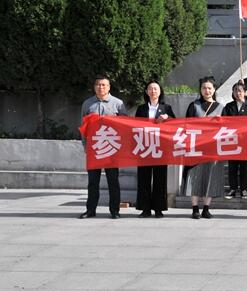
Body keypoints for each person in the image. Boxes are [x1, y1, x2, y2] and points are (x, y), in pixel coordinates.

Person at [80, 75, 127, 219]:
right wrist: (86, 145)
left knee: (113, 181)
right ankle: (90, 210)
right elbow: (83, 126)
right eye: (98, 85)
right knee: (93, 182)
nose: (101, 87)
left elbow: (125, 125)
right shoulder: (87, 104)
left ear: (109, 87)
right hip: (94, 149)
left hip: (111, 149)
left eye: (104, 85)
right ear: (94, 87)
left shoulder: (118, 104)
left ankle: (114, 210)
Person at [182, 77, 225, 219]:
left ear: (214, 89)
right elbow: (186, 125)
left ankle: (206, 208)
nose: (207, 91)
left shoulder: (220, 107)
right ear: (200, 90)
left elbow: (226, 128)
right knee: (194, 177)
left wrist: (220, 122)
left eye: (209, 88)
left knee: (211, 177)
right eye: (204, 88)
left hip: (213, 148)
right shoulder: (194, 106)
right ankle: (195, 208)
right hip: (196, 147)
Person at [134, 80, 175, 218]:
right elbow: (134, 126)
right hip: (144, 147)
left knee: (160, 179)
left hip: (160, 148)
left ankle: (159, 208)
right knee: (143, 179)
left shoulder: (166, 108)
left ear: (160, 91)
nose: (153, 91)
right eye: (150, 89)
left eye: (156, 89)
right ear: (146, 92)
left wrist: (167, 118)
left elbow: (175, 124)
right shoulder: (141, 109)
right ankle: (145, 209)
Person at [223, 82, 247, 200]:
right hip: (232, 140)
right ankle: (232, 188)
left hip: (245, 141)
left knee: (245, 167)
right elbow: (224, 121)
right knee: (232, 166)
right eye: (235, 90)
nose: (238, 93)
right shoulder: (229, 106)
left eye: (240, 90)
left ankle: (244, 189)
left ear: (245, 92)